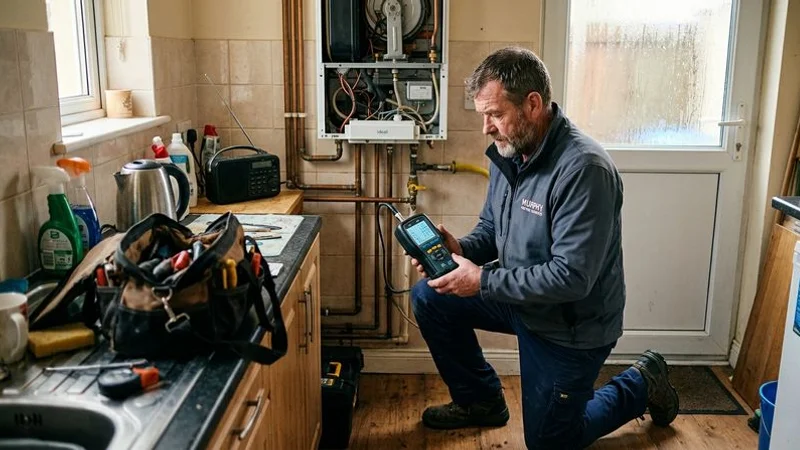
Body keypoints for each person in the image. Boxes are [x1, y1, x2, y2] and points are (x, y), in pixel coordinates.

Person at [409, 47, 679, 449]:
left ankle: (641, 381)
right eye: (484, 115)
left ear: (533, 104)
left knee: (551, 443)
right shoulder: (511, 153)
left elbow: (570, 278)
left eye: (495, 114)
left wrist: (481, 280)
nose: (486, 127)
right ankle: (481, 401)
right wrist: (460, 248)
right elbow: (492, 229)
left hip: (570, 323)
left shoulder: (584, 170)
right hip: (524, 300)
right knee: (430, 297)